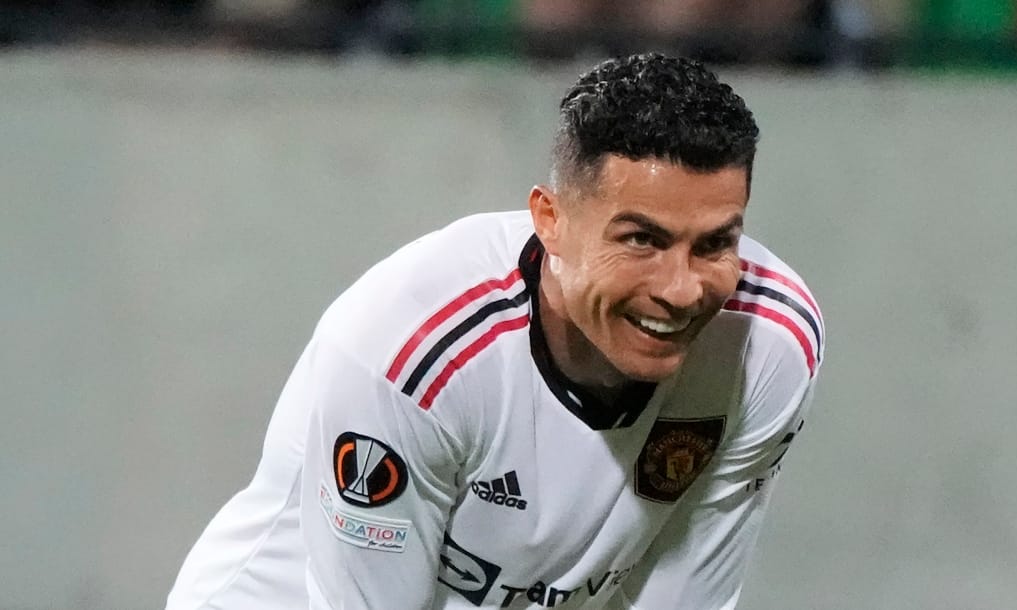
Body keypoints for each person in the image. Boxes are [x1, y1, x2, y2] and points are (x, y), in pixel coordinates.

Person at [166, 53, 824, 609]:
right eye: (641, 241)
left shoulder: (768, 346)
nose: (681, 289)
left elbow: (685, 595)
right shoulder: (411, 356)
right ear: (551, 219)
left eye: (713, 245)